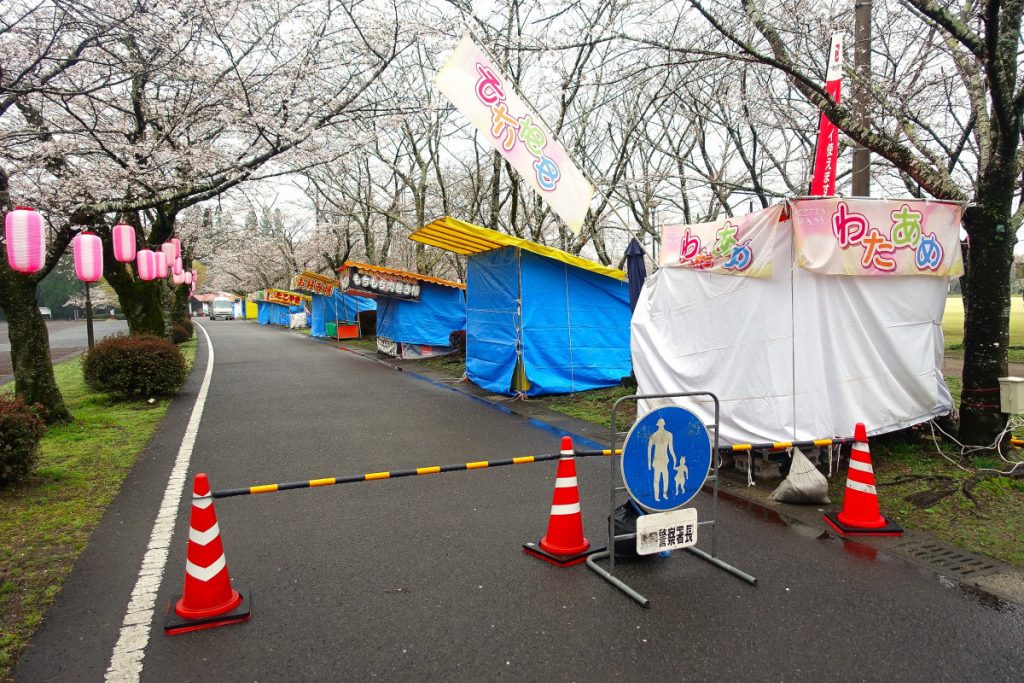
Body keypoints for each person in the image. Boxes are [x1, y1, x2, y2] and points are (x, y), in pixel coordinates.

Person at [647, 418, 676, 502]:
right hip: (657, 461)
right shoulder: (654, 435)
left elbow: (671, 449)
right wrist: (649, 463)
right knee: (658, 479)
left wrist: (674, 459)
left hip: (664, 460)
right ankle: (657, 496)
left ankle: (664, 494)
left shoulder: (668, 434)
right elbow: (649, 450)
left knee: (663, 478)